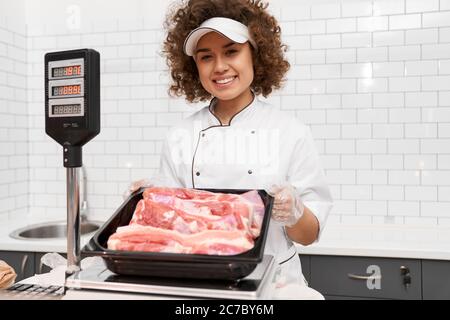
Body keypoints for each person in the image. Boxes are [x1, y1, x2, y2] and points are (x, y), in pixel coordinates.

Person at [126, 0, 333, 299]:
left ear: (256, 54)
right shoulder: (180, 136)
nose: (220, 66)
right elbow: (170, 234)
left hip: (275, 287)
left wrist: (294, 212)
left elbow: (309, 234)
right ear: (193, 65)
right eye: (206, 56)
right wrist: (147, 204)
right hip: (200, 288)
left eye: (232, 51)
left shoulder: (291, 132)